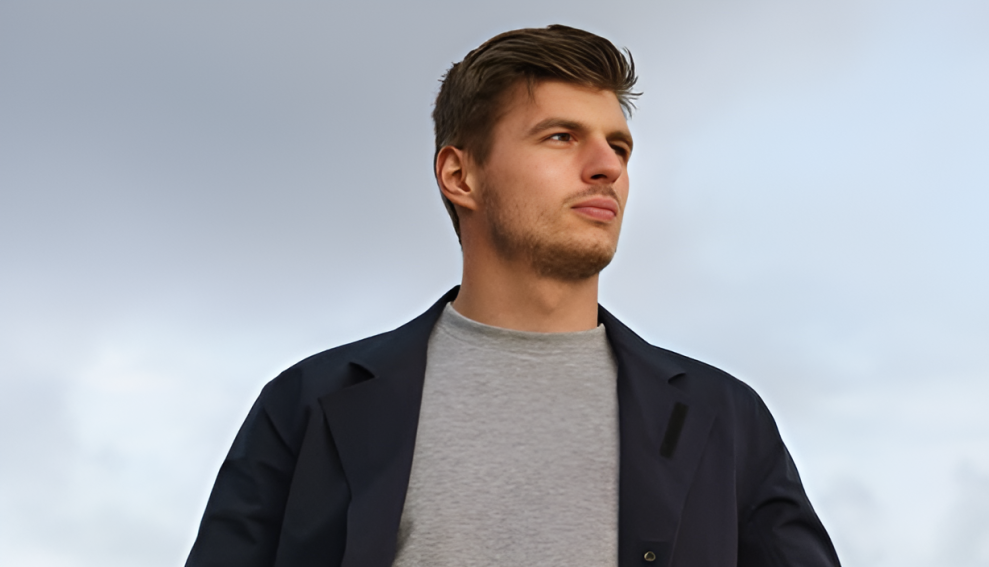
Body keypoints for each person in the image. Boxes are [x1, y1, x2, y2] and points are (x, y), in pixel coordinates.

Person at [185, 24, 840, 567]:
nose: (607, 166)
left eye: (618, 145)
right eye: (561, 137)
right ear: (460, 174)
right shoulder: (311, 407)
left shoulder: (724, 419)